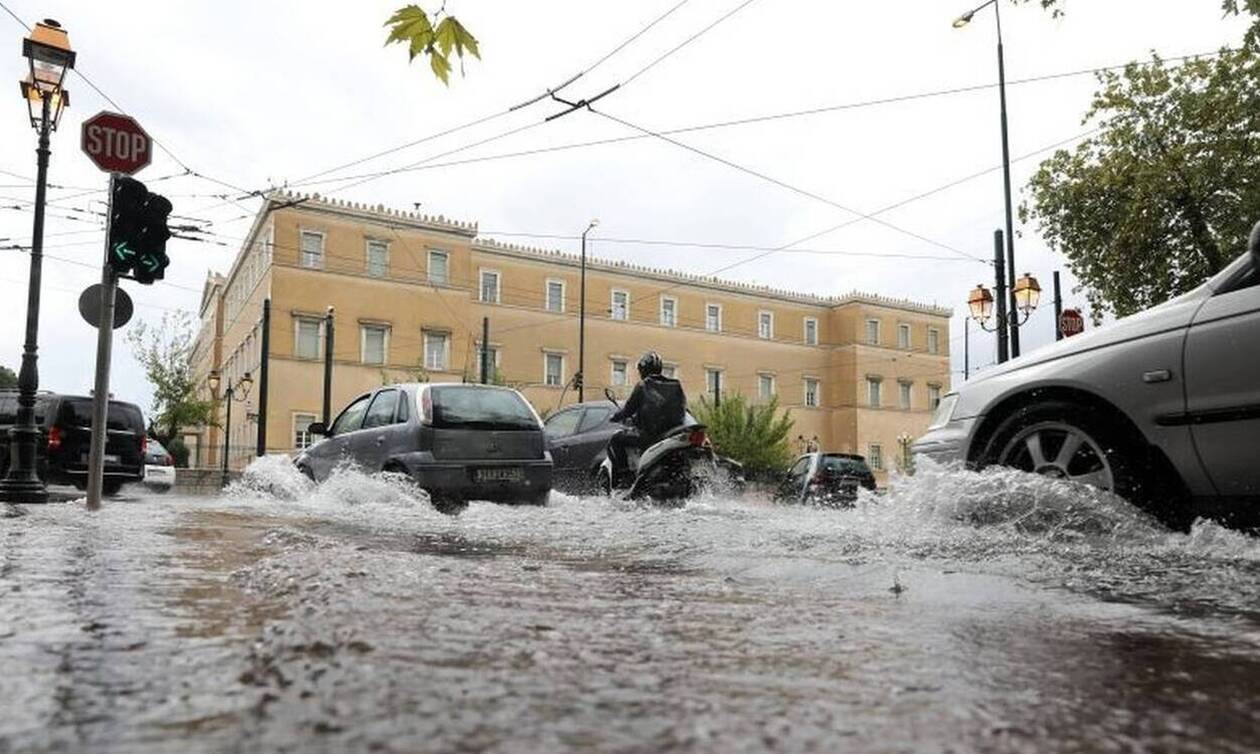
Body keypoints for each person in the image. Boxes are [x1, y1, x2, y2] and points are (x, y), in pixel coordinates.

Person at [606, 351, 687, 485]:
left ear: (643, 369)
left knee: (616, 439)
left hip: (650, 436)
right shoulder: (676, 385)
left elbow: (627, 410)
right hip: (674, 434)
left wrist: (614, 417)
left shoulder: (643, 385)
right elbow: (684, 408)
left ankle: (624, 478)